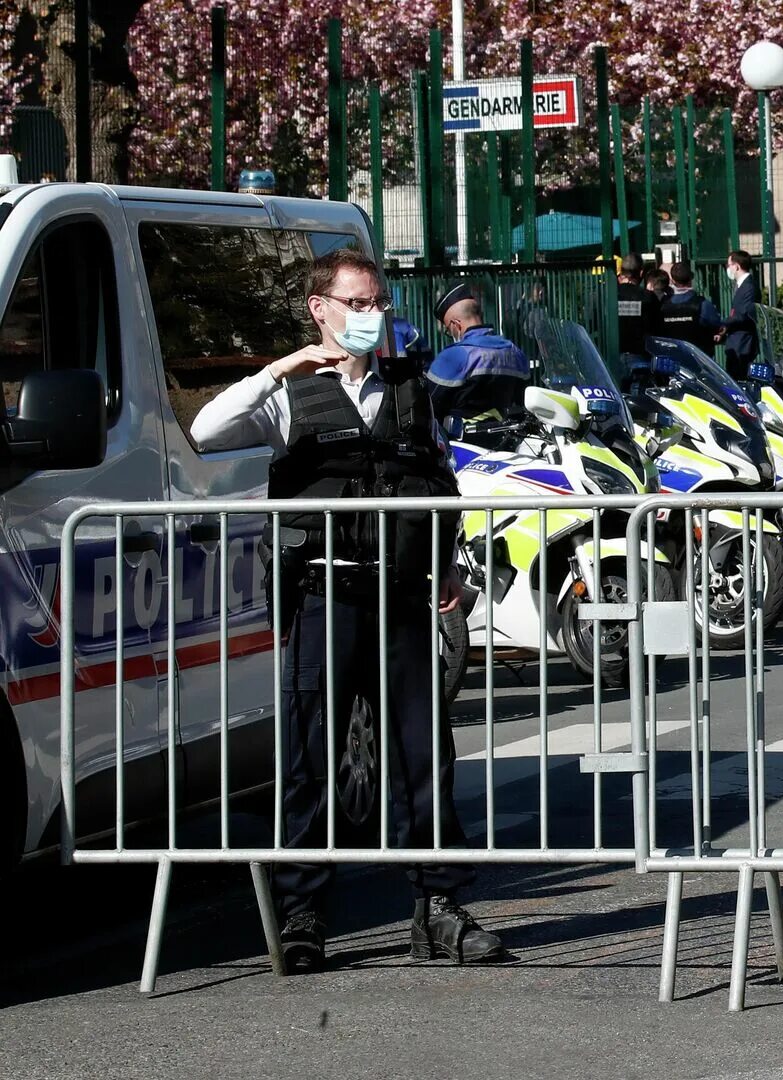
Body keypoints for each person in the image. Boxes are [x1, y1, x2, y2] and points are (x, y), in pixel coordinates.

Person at [188, 248, 506, 972]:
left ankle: (439, 908)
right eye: (358, 303)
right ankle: (302, 914)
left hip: (398, 596)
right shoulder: (287, 394)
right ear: (320, 309)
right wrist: (280, 368)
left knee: (423, 756)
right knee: (309, 760)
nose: (373, 316)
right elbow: (206, 431)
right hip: (321, 596)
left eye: (379, 304)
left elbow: (438, 477)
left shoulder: (408, 388)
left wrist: (451, 559)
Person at [425, 282, 531, 428]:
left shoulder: (454, 356)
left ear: (456, 325)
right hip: (508, 441)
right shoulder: (515, 352)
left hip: (460, 445)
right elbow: (524, 401)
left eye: (449, 330)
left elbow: (429, 406)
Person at [657, 262, 722, 350]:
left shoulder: (662, 305)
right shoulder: (703, 304)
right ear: (691, 278)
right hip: (698, 357)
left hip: (672, 358)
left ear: (672, 280)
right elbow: (717, 325)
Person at [721, 249, 762, 379]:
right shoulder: (741, 285)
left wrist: (723, 323)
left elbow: (744, 314)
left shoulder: (749, 287)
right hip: (736, 340)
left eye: (729, 265)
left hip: (743, 343)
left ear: (737, 266)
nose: (728, 269)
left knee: (740, 378)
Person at [616, 263, 661, 362]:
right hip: (641, 354)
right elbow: (657, 325)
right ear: (641, 273)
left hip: (612, 354)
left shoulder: (607, 295)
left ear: (621, 274)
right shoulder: (648, 297)